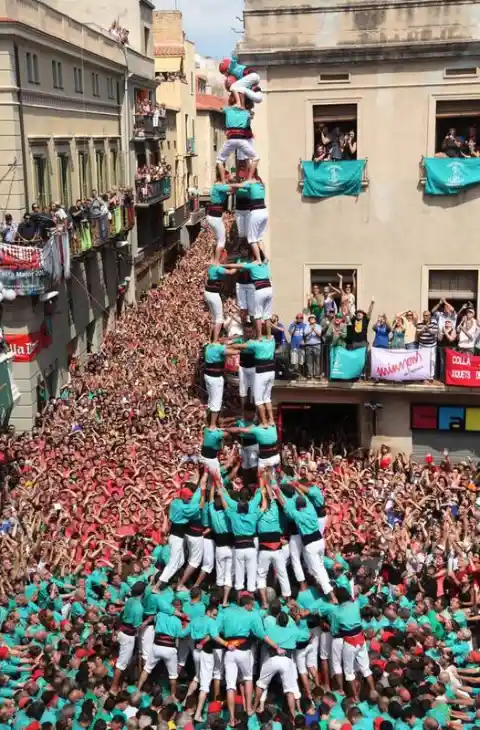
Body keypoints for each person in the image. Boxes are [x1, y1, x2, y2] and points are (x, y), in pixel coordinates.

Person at [303, 314, 323, 379]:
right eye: (311, 318)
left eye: (313, 318)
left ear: (315, 319)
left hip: (317, 345)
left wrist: (314, 329)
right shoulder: (306, 326)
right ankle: (310, 374)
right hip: (308, 345)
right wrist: (310, 330)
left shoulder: (318, 326)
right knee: (309, 361)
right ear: (309, 320)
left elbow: (320, 334)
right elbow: (305, 334)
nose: (312, 319)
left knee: (317, 360)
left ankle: (317, 374)